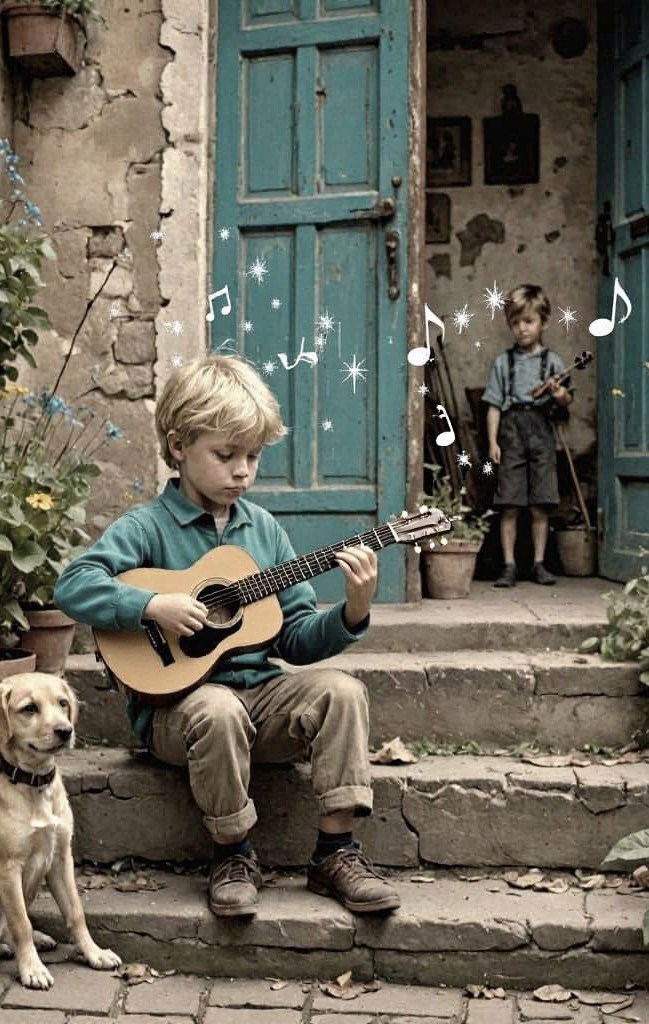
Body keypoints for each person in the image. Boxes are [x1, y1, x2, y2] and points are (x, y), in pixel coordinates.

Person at [53, 356, 399, 919]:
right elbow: (73, 585)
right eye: (226, 454)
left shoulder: (264, 531)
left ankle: (336, 852)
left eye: (254, 456)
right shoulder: (145, 528)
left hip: (260, 703)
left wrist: (352, 610)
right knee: (215, 707)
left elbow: (295, 639)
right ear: (179, 445)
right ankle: (233, 854)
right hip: (177, 717)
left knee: (342, 690)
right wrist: (152, 605)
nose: (243, 471)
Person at [483, 284, 573, 588]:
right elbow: (493, 407)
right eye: (516, 322)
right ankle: (509, 565)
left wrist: (559, 394)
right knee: (509, 502)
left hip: (541, 431)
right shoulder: (502, 363)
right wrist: (493, 441)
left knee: (540, 504)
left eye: (529, 321)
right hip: (511, 430)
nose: (522, 329)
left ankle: (538, 563)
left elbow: (566, 401)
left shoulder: (554, 363)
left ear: (544, 323)